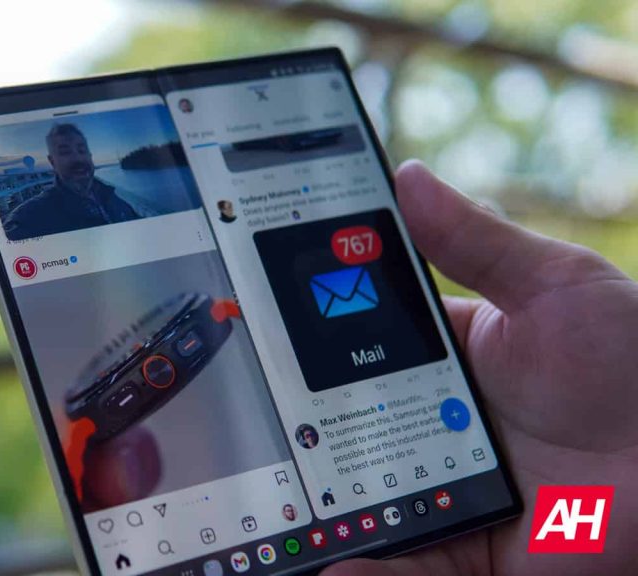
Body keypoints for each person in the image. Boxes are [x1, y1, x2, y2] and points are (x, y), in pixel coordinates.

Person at [85, 161, 638, 573]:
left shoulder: (585, 447)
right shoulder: (585, 488)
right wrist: (608, 491)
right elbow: (588, 505)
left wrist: (615, 464)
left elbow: (594, 491)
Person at [2, 123, 140, 240]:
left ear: (90, 156)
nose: (77, 158)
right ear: (52, 162)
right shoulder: (30, 219)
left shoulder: (113, 198)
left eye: (82, 150)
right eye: (65, 152)